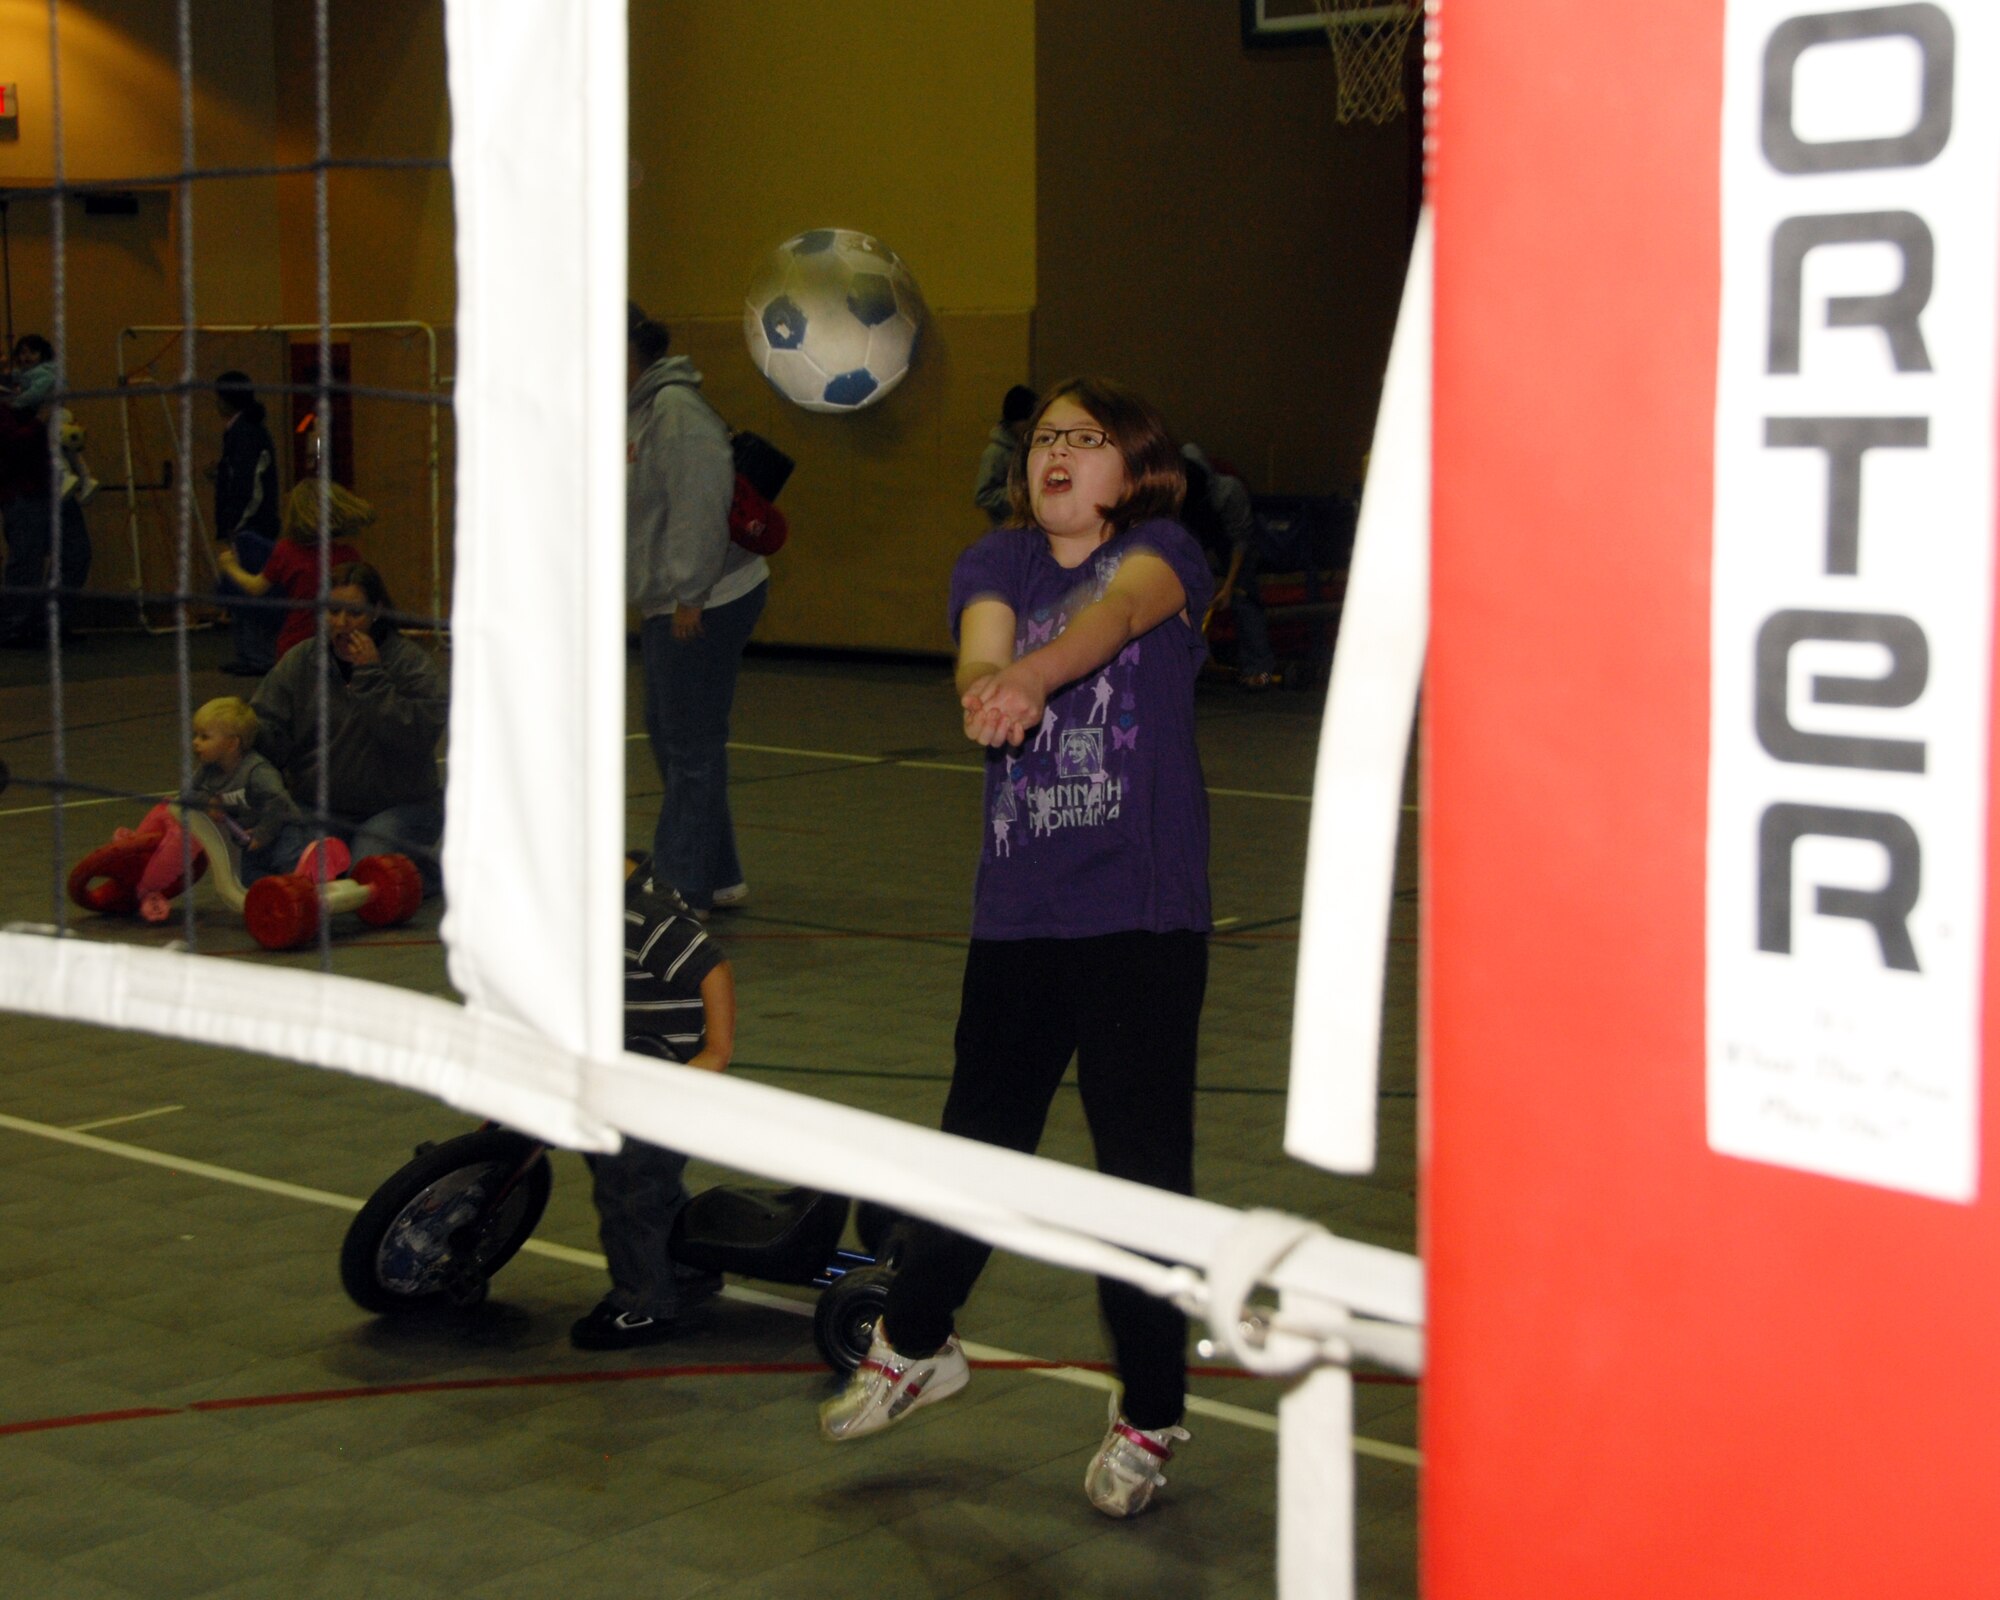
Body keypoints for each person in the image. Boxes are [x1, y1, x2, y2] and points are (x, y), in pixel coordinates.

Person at [818, 377, 1214, 1521]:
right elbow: (980, 649)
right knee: (975, 1142)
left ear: (1130, 466)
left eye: (1086, 440)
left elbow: (1110, 622)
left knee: (1140, 1172)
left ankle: (1149, 1413)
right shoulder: (992, 561)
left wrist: (1034, 681)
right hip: (1020, 911)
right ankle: (917, 1344)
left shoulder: (1164, 554)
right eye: (1044, 437)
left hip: (1139, 915)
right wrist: (987, 689)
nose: (1057, 454)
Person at [627, 301, 768, 915]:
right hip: (675, 597)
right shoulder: (638, 412)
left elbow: (698, 505)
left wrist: (689, 593)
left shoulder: (675, 413)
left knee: (689, 741)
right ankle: (720, 872)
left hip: (707, 597)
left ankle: (684, 885)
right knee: (674, 732)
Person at [571, 855, 737, 1350]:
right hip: (635, 1064)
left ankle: (643, 1304)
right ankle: (686, 1265)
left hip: (668, 1074)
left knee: (630, 1184)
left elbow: (712, 967)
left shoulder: (642, 915)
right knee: (631, 1171)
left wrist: (716, 1051)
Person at [249, 561, 447, 893]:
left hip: (400, 806)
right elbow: (268, 728)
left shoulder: (409, 664)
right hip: (321, 807)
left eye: (353, 614)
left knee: (367, 873)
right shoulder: (301, 661)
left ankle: (427, 872)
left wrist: (370, 677)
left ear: (376, 612)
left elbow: (417, 737)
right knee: (277, 861)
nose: (341, 624)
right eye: (331, 612)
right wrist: (237, 739)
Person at [214, 479, 373, 668]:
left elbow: (255, 587)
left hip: (296, 641)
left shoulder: (286, 551)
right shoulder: (348, 555)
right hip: (337, 638)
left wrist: (230, 566)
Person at [0, 336, 91, 647]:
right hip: (24, 489)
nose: (24, 359)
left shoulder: (46, 391)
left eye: (32, 352)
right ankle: (14, 627)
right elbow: (12, 444)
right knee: (26, 561)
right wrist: (40, 421)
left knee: (76, 552)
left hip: (55, 486)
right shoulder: (9, 402)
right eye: (20, 353)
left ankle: (49, 623)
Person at [1181, 443, 1278, 690]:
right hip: (1198, 541)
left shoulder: (1228, 490)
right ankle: (1194, 666)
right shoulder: (1177, 492)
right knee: (1187, 599)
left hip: (1232, 542)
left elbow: (1241, 541)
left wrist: (1228, 586)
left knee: (1243, 596)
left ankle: (1259, 671)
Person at [185, 696, 312, 884]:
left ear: (232, 744)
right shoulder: (208, 770)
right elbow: (187, 795)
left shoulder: (256, 771)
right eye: (196, 735)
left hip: (282, 830)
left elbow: (279, 801)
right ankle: (276, 894)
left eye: (204, 737)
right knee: (248, 879)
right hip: (248, 838)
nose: (196, 742)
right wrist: (207, 801)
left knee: (288, 862)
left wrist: (263, 833)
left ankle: (307, 879)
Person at [209, 373, 284, 676]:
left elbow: (248, 483)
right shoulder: (243, 431)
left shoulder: (246, 433)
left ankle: (257, 655)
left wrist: (236, 523)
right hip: (249, 524)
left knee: (251, 590)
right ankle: (248, 652)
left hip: (251, 526)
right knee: (242, 589)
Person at [973, 383, 1037, 525]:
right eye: (1029, 422)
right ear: (1016, 421)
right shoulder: (995, 453)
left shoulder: (1029, 447)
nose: (1032, 427)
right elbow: (983, 496)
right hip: (1006, 528)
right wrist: (1019, 494)